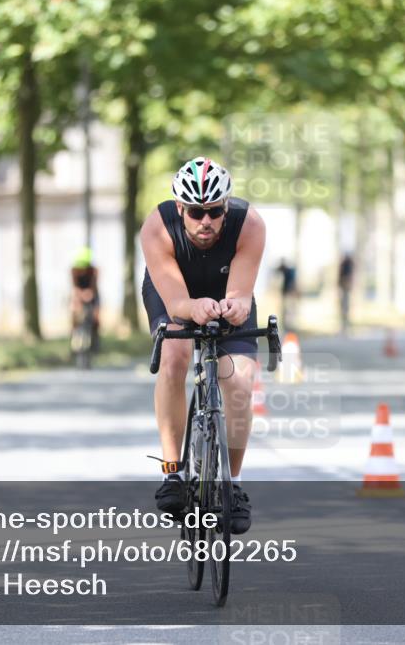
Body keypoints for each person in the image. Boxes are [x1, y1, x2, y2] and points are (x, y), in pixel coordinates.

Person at [139, 157, 265, 535]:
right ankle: (173, 473)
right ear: (181, 209)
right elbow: (177, 302)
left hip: (226, 294)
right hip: (173, 294)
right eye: (195, 212)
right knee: (175, 357)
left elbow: (242, 296)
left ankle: (233, 486)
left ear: (226, 206)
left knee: (240, 385)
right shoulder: (157, 227)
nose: (205, 221)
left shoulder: (250, 224)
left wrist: (237, 306)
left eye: (213, 211)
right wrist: (192, 308)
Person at [70, 246, 100, 355]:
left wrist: (90, 293)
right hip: (78, 293)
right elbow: (74, 286)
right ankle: (73, 340)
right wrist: (79, 295)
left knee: (96, 315)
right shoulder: (74, 270)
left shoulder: (93, 270)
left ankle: (95, 341)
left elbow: (94, 285)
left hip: (92, 293)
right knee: (74, 311)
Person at [275, 258, 298, 330]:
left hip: (289, 293)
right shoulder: (286, 271)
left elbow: (292, 283)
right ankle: (286, 324)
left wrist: (292, 291)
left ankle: (289, 325)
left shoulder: (289, 272)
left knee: (289, 309)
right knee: (286, 310)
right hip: (286, 293)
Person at [338, 252, 354, 335]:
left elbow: (346, 277)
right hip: (344, 288)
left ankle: (345, 327)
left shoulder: (346, 265)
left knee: (345, 308)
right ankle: (344, 326)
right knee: (344, 308)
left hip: (345, 289)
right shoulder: (346, 265)